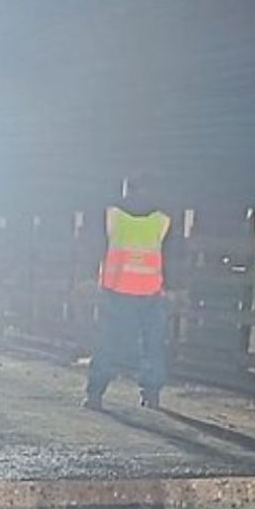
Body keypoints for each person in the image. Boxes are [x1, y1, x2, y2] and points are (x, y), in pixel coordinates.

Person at [85, 175, 181, 410]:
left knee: (108, 342)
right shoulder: (161, 220)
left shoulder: (113, 216)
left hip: (116, 290)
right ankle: (151, 394)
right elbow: (173, 256)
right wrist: (175, 287)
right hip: (150, 292)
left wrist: (89, 277)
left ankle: (95, 394)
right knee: (152, 345)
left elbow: (95, 247)